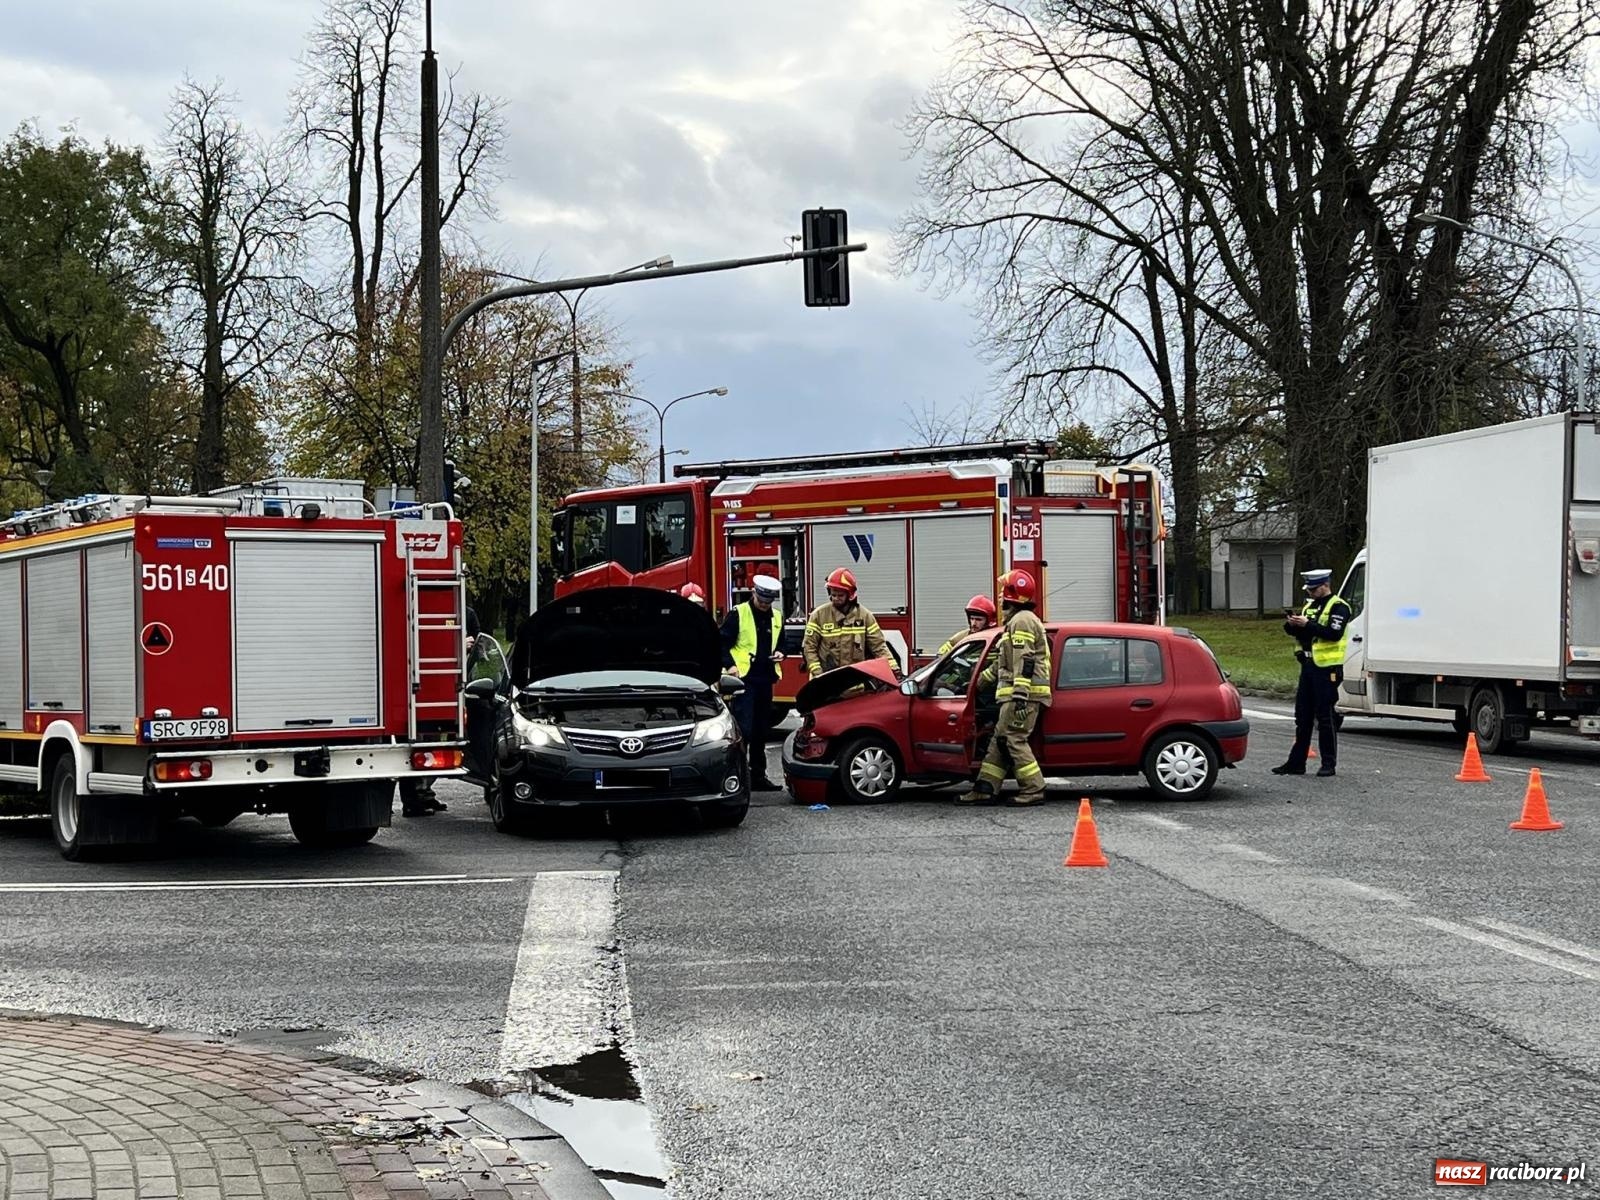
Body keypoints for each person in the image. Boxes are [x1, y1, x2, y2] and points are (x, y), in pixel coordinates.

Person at [958, 570, 1053, 806]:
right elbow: (1005, 664)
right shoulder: (1016, 622)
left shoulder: (1022, 621)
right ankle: (985, 787)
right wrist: (977, 684)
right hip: (1014, 695)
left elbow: (1025, 660)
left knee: (1013, 739)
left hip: (1023, 696)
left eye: (1004, 590)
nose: (1000, 596)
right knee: (1000, 739)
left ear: (1013, 594)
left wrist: (1021, 696)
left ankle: (1033, 788)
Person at [404, 605, 482, 816]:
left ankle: (424, 793)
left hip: (452, 687)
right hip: (428, 689)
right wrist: (458, 643)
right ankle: (413, 799)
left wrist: (470, 646)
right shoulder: (418, 610)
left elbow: (478, 644)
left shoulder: (467, 613)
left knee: (436, 744)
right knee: (422, 743)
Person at [1272, 569, 1351, 778]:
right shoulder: (1309, 606)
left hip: (1327, 669)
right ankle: (1296, 763)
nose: (1311, 592)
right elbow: (1301, 632)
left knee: (1325, 717)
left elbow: (1334, 634)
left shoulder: (1339, 607)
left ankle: (1328, 764)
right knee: (1302, 717)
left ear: (1325, 585)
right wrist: (1292, 625)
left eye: (1314, 588)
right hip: (1308, 665)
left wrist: (1309, 625)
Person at [721, 574, 784, 791]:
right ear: (753, 593)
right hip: (744, 681)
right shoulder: (739, 614)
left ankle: (758, 776)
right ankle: (739, 775)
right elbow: (722, 644)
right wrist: (730, 666)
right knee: (744, 730)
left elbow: (782, 642)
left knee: (760, 731)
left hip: (765, 679)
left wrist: (780, 653)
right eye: (761, 601)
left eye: (768, 603)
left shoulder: (776, 616)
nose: (765, 606)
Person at [801, 567, 897, 679]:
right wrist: (819, 674)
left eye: (840, 595)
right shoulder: (818, 615)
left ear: (850, 595)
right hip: (826, 685)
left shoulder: (865, 616)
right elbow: (809, 647)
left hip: (855, 683)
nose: (836, 598)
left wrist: (894, 670)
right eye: (833, 595)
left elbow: (879, 647)